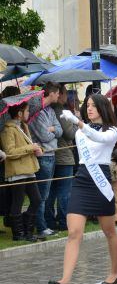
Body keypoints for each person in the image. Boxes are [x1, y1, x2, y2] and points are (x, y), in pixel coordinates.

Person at [48, 94, 117, 284]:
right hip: (82, 179)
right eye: (87, 105)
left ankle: (114, 272)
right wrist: (79, 125)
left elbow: (98, 137)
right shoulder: (80, 132)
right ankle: (65, 280)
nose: (88, 109)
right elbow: (85, 139)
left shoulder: (113, 130)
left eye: (93, 106)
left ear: (102, 108)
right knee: (74, 232)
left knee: (109, 231)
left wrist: (78, 123)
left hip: (102, 180)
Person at [1, 102, 43, 241]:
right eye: (27, 111)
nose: (28, 113)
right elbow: (10, 152)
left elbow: (29, 146)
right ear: (19, 113)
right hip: (17, 171)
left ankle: (27, 230)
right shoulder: (8, 129)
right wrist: (30, 148)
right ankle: (18, 234)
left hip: (29, 169)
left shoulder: (23, 127)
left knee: (36, 200)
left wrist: (36, 149)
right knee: (17, 203)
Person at [29, 82, 62, 239]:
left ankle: (42, 224)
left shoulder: (50, 110)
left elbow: (60, 130)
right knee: (41, 194)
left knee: (46, 193)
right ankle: (40, 226)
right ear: (52, 93)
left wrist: (53, 129)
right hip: (43, 156)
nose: (59, 96)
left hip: (52, 154)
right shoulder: (38, 112)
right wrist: (52, 130)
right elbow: (44, 135)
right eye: (58, 93)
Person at [46, 85, 77, 232]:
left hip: (53, 154)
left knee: (51, 191)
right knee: (64, 192)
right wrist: (77, 122)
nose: (66, 96)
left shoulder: (48, 109)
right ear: (60, 95)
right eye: (64, 93)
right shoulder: (60, 111)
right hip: (63, 156)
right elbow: (70, 133)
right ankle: (64, 221)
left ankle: (49, 220)